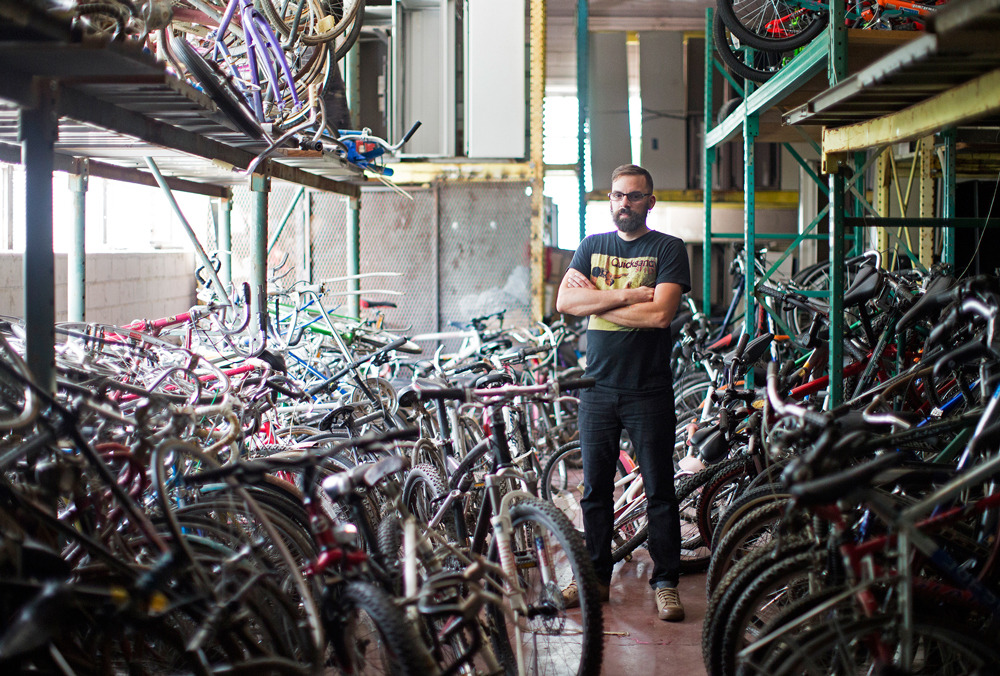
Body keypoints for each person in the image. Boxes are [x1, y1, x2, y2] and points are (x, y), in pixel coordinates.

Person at [555, 163, 691, 621]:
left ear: (649, 202)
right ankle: (595, 578)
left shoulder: (668, 248)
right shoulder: (592, 246)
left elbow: (661, 317)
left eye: (634, 196)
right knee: (594, 491)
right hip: (597, 388)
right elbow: (566, 304)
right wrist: (632, 296)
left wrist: (601, 297)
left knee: (659, 491)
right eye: (617, 196)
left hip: (648, 390)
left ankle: (666, 581)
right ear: (609, 201)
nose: (624, 203)